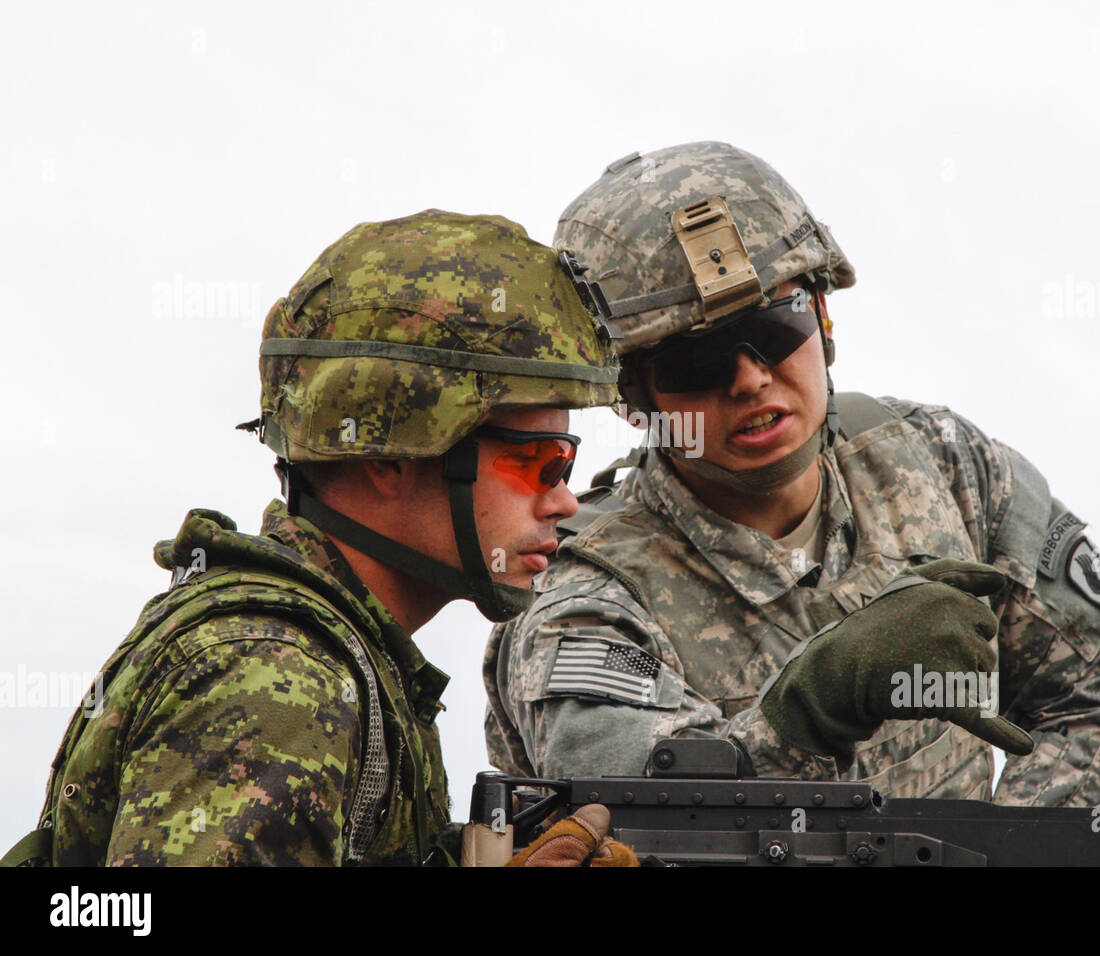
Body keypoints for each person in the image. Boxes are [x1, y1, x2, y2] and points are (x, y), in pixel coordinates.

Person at [484, 142, 1100, 807]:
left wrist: (999, 849)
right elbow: (635, 816)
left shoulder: (946, 465)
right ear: (631, 400)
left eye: (777, 327)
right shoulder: (584, 592)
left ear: (824, 317)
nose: (750, 379)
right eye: (697, 361)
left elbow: (1099, 703)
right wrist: (809, 710)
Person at [3, 209, 632, 866]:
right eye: (537, 460)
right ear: (392, 455)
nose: (563, 498)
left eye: (567, 460)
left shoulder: (343, 663)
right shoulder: (274, 679)